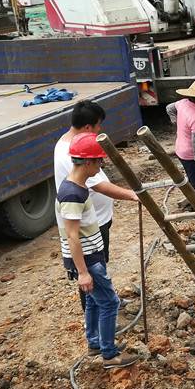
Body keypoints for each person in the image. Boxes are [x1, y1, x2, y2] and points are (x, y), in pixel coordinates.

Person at [56, 133, 139, 369]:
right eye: (99, 161)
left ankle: (95, 343)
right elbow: (72, 236)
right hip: (89, 259)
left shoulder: (77, 186)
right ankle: (109, 354)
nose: (101, 166)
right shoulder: (73, 193)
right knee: (110, 302)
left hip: (93, 255)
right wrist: (83, 272)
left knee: (94, 302)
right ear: (89, 162)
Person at [54, 100, 138, 311]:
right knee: (90, 271)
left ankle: (107, 301)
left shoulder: (71, 143)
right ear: (87, 127)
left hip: (96, 219)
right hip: (89, 225)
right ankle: (101, 313)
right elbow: (99, 185)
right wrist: (133, 195)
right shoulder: (74, 153)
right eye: (98, 125)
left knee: (99, 268)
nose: (100, 130)